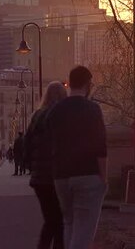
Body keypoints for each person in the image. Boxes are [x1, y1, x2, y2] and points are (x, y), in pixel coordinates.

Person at [48, 66, 107, 249]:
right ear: (88, 84)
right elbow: (100, 147)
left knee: (69, 223)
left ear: (70, 83)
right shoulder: (92, 109)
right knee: (84, 228)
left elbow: (51, 145)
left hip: (61, 177)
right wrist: (104, 178)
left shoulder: (55, 111)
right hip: (87, 174)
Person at [25, 81, 68, 249]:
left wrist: (32, 168)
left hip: (39, 179)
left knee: (51, 220)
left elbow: (27, 145)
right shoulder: (61, 116)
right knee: (59, 222)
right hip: (56, 176)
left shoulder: (36, 116)